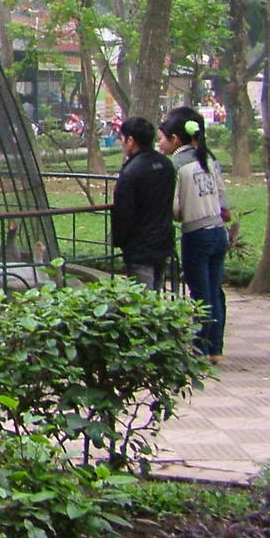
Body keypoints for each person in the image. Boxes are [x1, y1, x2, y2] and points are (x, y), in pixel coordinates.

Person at [159, 106, 231, 362]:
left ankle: (200, 348)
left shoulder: (177, 166)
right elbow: (223, 201)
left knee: (201, 293)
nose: (160, 143)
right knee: (214, 290)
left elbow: (176, 208)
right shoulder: (209, 159)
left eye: (162, 138)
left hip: (196, 234)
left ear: (176, 139)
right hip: (218, 232)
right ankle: (216, 348)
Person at [110, 115, 176, 289]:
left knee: (142, 300)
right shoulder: (165, 165)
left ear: (130, 141)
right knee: (156, 295)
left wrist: (119, 240)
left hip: (140, 248)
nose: (122, 143)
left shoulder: (131, 172)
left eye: (123, 139)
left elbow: (124, 212)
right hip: (163, 241)